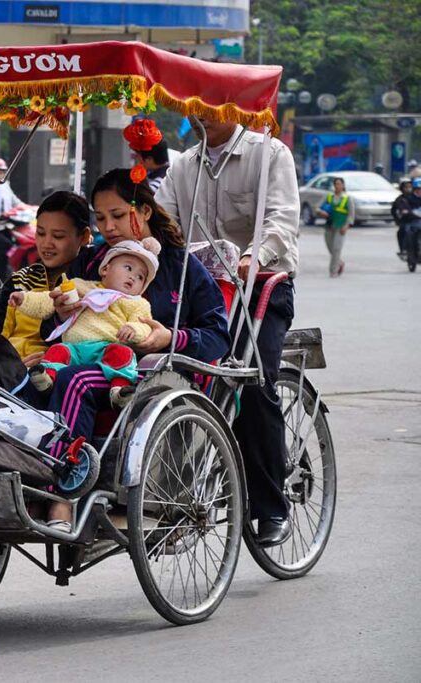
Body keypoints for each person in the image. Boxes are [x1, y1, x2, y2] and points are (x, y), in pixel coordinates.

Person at [44, 169, 231, 532]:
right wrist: (60, 314)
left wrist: (170, 338)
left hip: (157, 375)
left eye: (117, 215)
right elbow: (52, 328)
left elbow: (218, 335)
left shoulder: (181, 266)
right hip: (89, 357)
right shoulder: (91, 261)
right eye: (100, 219)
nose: (108, 226)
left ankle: (61, 498)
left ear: (144, 211)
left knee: (73, 382)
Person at [156, 116, 300, 547]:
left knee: (251, 383)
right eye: (196, 105)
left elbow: (280, 220)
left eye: (213, 103)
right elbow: (163, 223)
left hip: (259, 287)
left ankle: (271, 506)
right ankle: (170, 497)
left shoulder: (269, 153)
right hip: (200, 293)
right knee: (164, 375)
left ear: (234, 105)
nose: (205, 113)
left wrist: (253, 256)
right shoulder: (183, 165)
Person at [16, 237, 161, 407]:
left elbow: (144, 324)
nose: (133, 277)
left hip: (106, 348)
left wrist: (133, 329)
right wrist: (24, 300)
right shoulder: (81, 286)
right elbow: (47, 300)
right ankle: (47, 378)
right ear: (105, 269)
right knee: (57, 350)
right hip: (75, 349)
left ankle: (119, 390)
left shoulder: (136, 303)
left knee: (123, 354)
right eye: (128, 268)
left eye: (140, 277)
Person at [0, 190, 92, 367]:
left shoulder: (92, 283)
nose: (46, 243)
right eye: (40, 233)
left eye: (58, 236)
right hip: (6, 365)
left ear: (84, 237)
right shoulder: (19, 281)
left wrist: (51, 358)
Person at [316, 177, 354, 277]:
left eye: (339, 184)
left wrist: (346, 226)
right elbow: (317, 207)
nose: (338, 186)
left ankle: (333, 271)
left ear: (343, 185)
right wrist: (321, 212)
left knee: (337, 249)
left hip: (340, 227)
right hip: (329, 226)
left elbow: (351, 215)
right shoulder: (329, 197)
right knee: (331, 248)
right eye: (336, 184)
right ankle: (340, 262)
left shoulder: (347, 198)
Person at [392, 180, 414, 257]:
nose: (408, 189)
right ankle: (403, 249)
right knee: (402, 231)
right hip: (406, 221)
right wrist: (397, 220)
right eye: (406, 187)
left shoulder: (416, 197)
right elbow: (394, 210)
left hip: (418, 220)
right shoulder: (400, 199)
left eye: (410, 187)